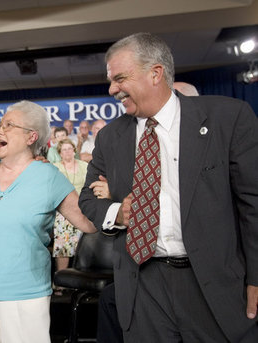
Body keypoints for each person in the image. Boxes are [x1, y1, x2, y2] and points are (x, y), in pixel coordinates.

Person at [79, 32, 258, 342]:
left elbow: (252, 205)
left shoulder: (226, 119)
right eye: (111, 80)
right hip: (143, 287)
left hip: (212, 283)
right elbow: (87, 199)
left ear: (155, 73)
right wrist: (117, 214)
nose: (112, 89)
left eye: (120, 78)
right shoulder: (110, 138)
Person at [0, 100, 97, 343]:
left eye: (9, 125)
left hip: (26, 296)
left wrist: (107, 196)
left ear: (31, 137)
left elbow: (89, 223)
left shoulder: (48, 176)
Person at [52, 138, 89, 275]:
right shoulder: (55, 168)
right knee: (63, 245)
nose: (67, 152)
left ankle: (82, 277)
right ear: (60, 153)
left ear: (74, 150)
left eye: (70, 148)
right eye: (64, 150)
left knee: (84, 245)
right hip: (63, 211)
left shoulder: (84, 166)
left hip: (83, 209)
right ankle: (61, 279)